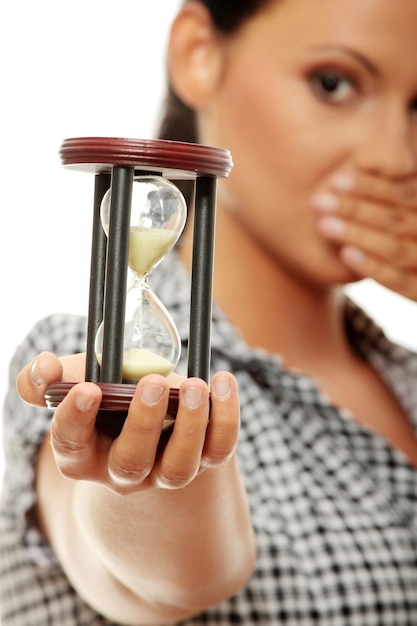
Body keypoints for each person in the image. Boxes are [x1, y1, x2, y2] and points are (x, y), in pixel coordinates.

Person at [1, 0, 417, 623]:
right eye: (333, 84)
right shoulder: (89, 350)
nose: (396, 158)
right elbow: (166, 580)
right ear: (199, 52)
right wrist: (147, 479)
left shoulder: (405, 376)